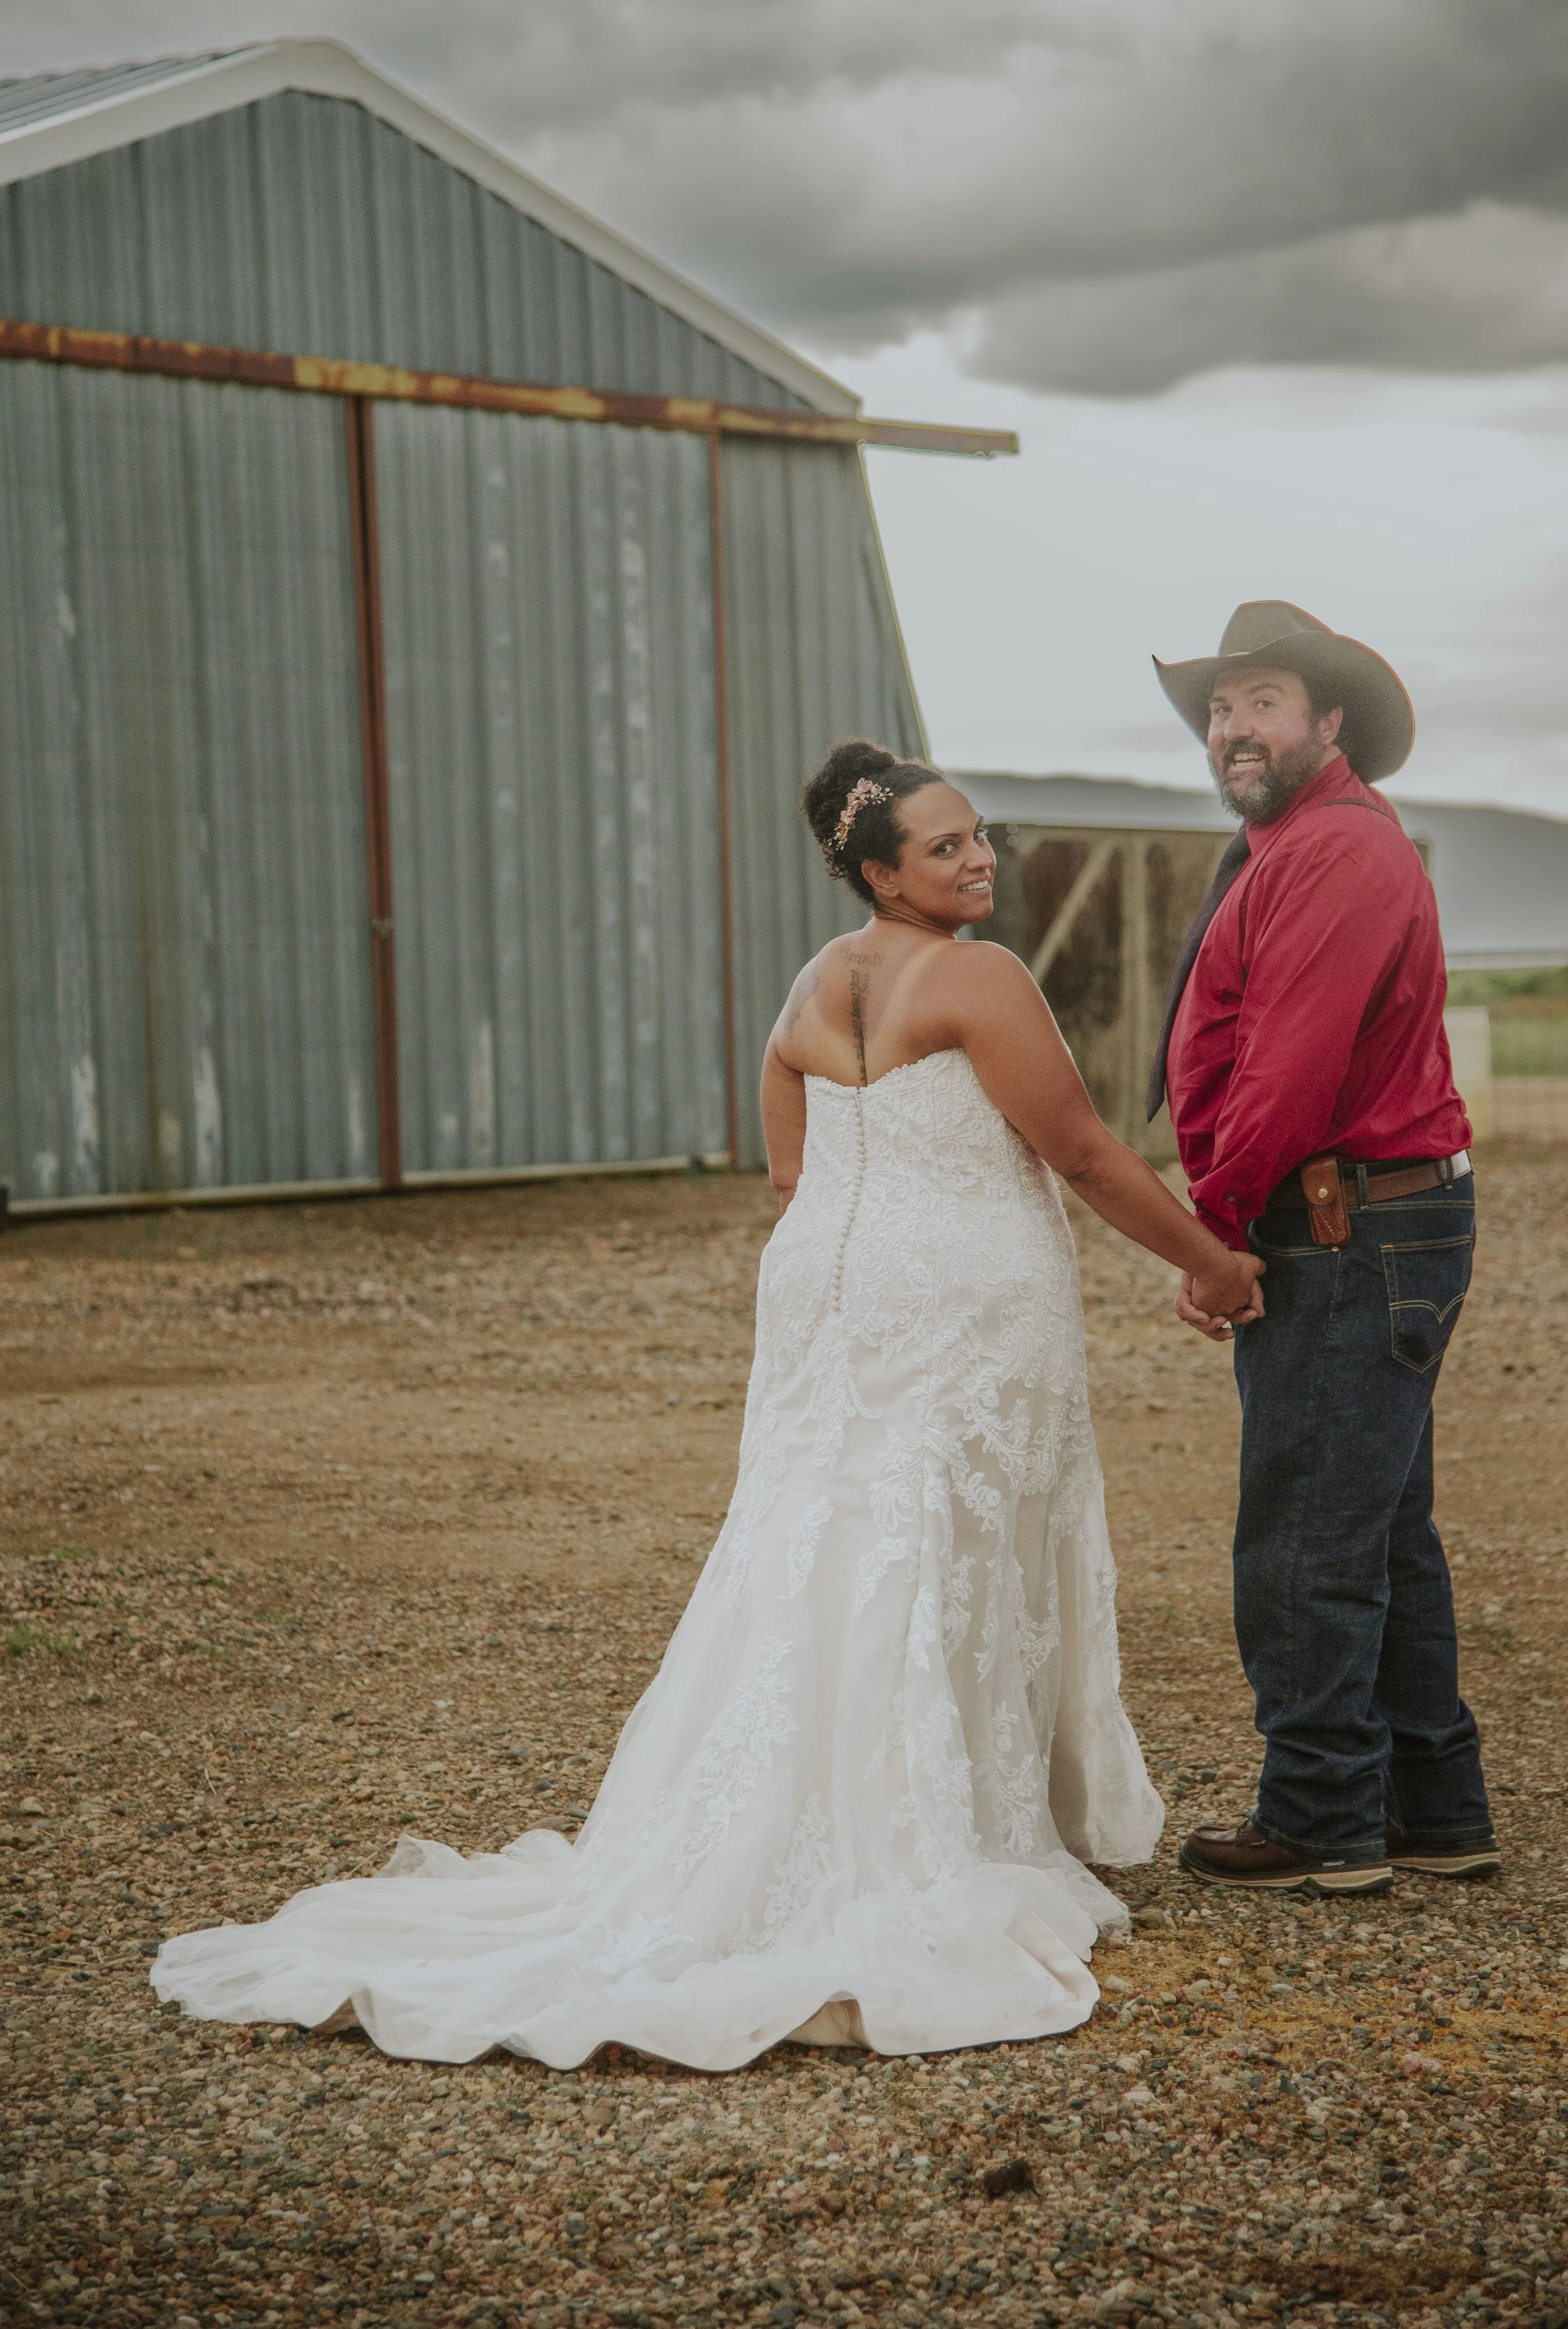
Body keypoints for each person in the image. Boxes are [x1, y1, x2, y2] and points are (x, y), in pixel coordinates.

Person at [153, 742, 1261, 2069]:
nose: (980, 861)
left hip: (826, 1293)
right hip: (957, 1303)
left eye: (980, 839)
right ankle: (918, 1838)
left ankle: (784, 1815)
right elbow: (1077, 1148)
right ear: (880, 873)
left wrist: (856, 1222)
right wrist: (1212, 1261)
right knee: (930, 1544)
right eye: (947, 848)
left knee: (818, 1538)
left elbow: (793, 1164)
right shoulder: (979, 975)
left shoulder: (813, 981)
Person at [1147, 599, 1498, 1895]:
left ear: (1327, 721)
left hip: (1346, 1219)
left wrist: (1213, 1231)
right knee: (1377, 1525)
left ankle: (1321, 1817)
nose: (1235, 728)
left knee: (1305, 1532)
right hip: (1366, 1213)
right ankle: (1434, 1809)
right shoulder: (1293, 841)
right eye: (1222, 709)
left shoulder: (1335, 851)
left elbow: (1290, 1071)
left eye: (1264, 704)